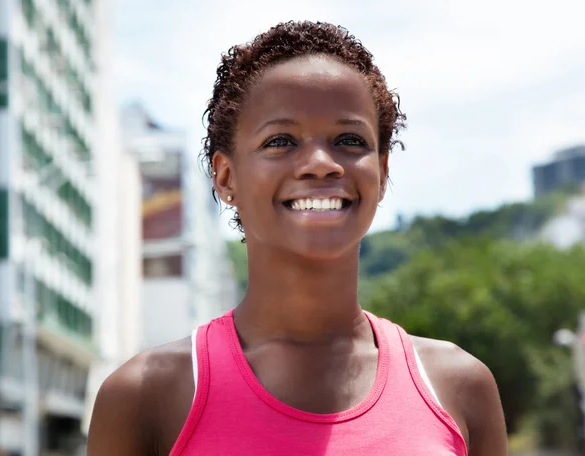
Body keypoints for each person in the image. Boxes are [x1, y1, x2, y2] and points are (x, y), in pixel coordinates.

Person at [87, 21, 507, 455]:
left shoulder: (458, 385)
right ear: (226, 176)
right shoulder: (145, 395)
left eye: (349, 139)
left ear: (382, 173)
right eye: (281, 140)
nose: (321, 163)